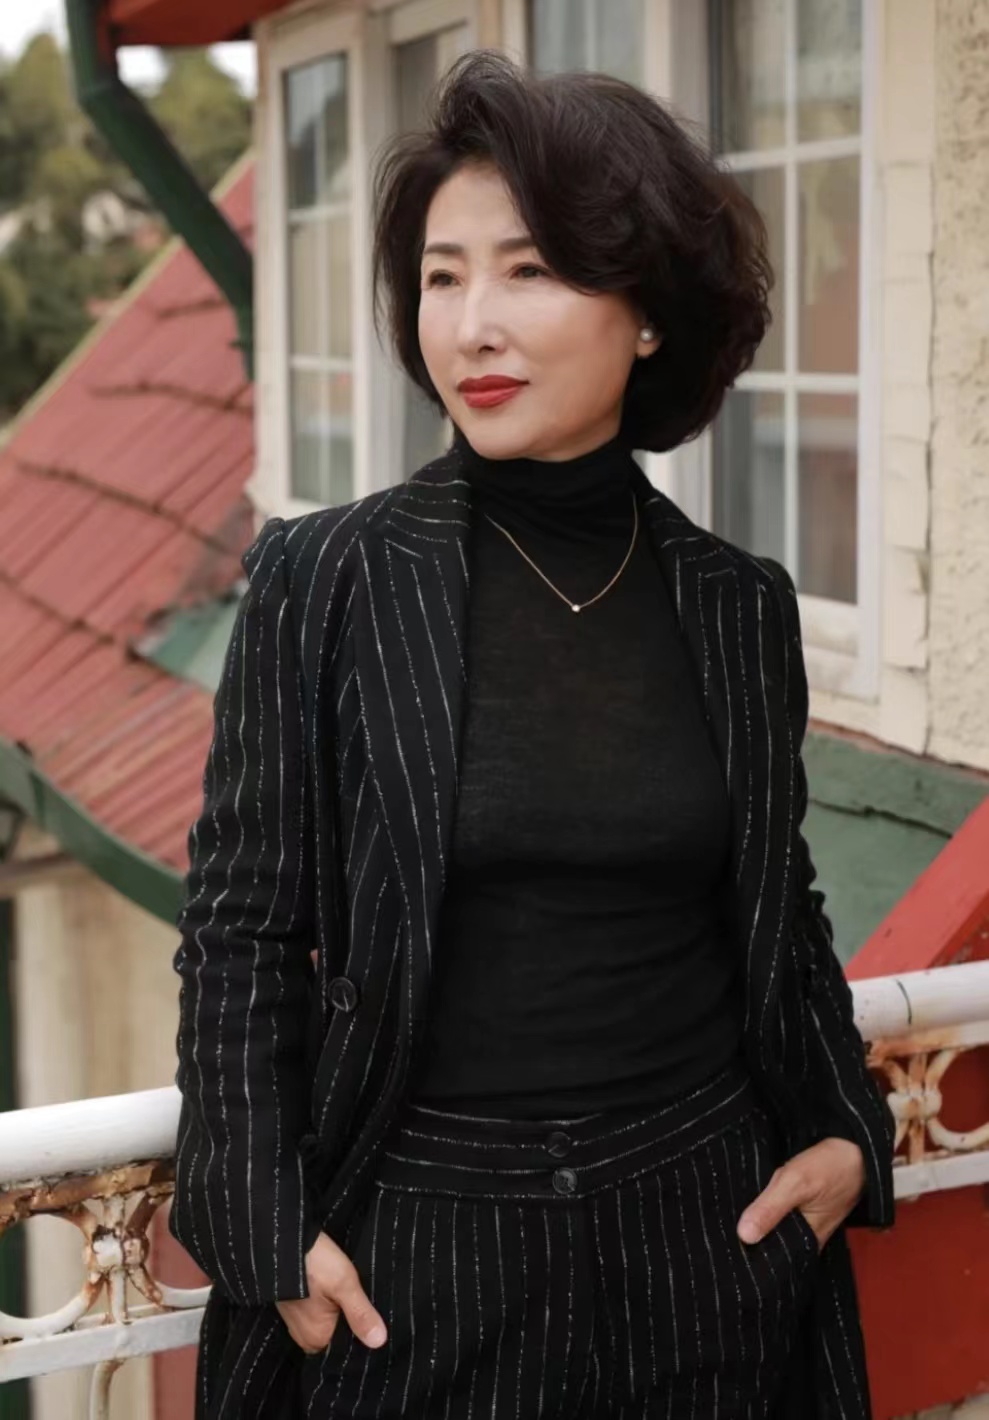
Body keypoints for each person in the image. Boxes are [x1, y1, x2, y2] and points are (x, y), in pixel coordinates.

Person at [170, 50, 895, 1420]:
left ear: (646, 312)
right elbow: (241, 928)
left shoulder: (736, 606)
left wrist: (850, 1131)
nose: (472, 327)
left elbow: (776, 905)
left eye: (530, 271)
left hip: (708, 1239)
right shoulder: (327, 581)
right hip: (417, 1262)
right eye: (442, 278)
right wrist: (267, 1232)